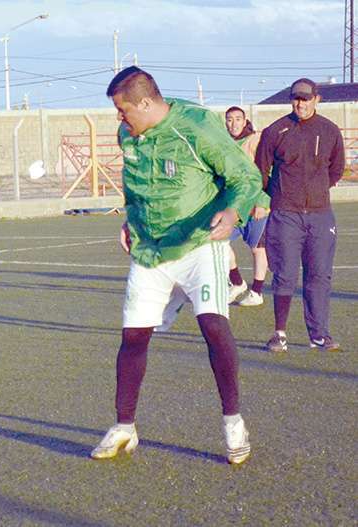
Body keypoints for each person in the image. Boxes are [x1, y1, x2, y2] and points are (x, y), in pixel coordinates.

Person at [91, 67, 261, 465]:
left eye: (123, 110)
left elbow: (245, 176)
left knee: (213, 327)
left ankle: (233, 422)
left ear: (147, 103)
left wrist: (234, 211)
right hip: (151, 251)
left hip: (201, 245)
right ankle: (124, 427)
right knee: (133, 337)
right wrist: (129, 218)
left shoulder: (197, 127)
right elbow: (134, 184)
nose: (120, 118)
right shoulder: (128, 136)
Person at [255, 78, 345, 353]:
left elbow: (336, 170)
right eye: (296, 98)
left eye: (306, 98)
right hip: (285, 215)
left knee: (319, 274)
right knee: (284, 275)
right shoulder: (276, 130)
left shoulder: (330, 131)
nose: (300, 103)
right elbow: (261, 170)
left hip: (320, 215)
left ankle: (319, 334)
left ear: (316, 99)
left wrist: (316, 191)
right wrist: (281, 195)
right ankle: (279, 333)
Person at [224, 106, 270, 306]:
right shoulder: (223, 143)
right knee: (218, 243)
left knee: (257, 248)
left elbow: (266, 171)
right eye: (229, 119)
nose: (233, 123)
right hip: (234, 206)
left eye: (237, 119)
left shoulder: (254, 141)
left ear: (245, 121)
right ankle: (237, 282)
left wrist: (263, 201)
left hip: (255, 206)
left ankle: (257, 292)